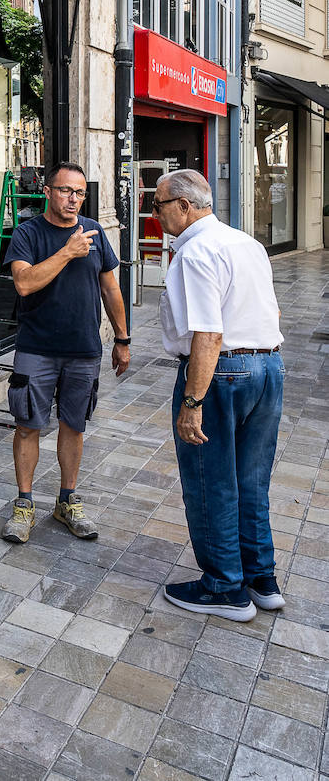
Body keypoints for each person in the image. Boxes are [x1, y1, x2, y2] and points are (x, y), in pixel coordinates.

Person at [155, 169, 285, 621]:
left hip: (223, 372)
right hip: (268, 365)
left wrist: (192, 403)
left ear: (185, 207)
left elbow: (208, 334)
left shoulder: (195, 252)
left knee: (212, 481)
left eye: (159, 205)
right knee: (251, 480)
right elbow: (273, 308)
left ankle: (224, 587)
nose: (155, 214)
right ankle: (261, 578)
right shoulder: (245, 243)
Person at [1, 162, 130, 544]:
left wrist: (122, 339)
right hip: (36, 348)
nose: (73, 199)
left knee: (75, 426)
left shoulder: (95, 232)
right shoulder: (27, 233)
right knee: (28, 425)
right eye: (64, 190)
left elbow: (110, 288)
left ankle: (66, 501)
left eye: (79, 192)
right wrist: (68, 252)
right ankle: (24, 504)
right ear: (47, 191)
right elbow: (24, 284)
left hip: (83, 349)